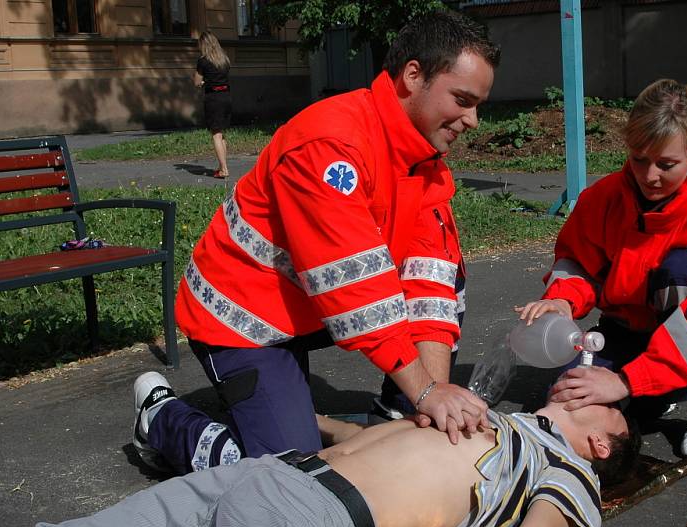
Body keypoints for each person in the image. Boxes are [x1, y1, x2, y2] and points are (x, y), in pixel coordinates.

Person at [171, 11, 501, 472]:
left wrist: (429, 405)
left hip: (308, 307)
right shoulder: (330, 143)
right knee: (290, 475)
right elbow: (350, 287)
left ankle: (387, 414)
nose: (473, 120)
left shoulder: (425, 161)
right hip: (244, 319)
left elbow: (432, 282)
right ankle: (163, 419)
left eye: (479, 104)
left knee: (448, 278)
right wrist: (427, 391)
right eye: (463, 100)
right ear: (412, 76)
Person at [0, 372, 640, 527]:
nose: (599, 383)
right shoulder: (504, 418)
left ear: (606, 440)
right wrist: (317, 422)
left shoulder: (568, 473)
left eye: (615, 403)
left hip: (319, 522)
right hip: (271, 472)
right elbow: (375, 439)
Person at [516, 79, 687, 458]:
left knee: (680, 270)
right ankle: (658, 390)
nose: (649, 176)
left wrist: (623, 381)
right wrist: (563, 302)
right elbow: (577, 262)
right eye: (638, 158)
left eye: (666, 165)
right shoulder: (603, 199)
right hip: (624, 329)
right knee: (564, 395)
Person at [194, 31, 231, 179]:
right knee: (222, 135)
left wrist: (204, 82)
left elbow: (197, 82)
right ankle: (223, 166)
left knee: (216, 134)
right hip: (227, 97)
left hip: (213, 98)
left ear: (204, 45)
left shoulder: (203, 61)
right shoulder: (224, 60)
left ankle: (223, 169)